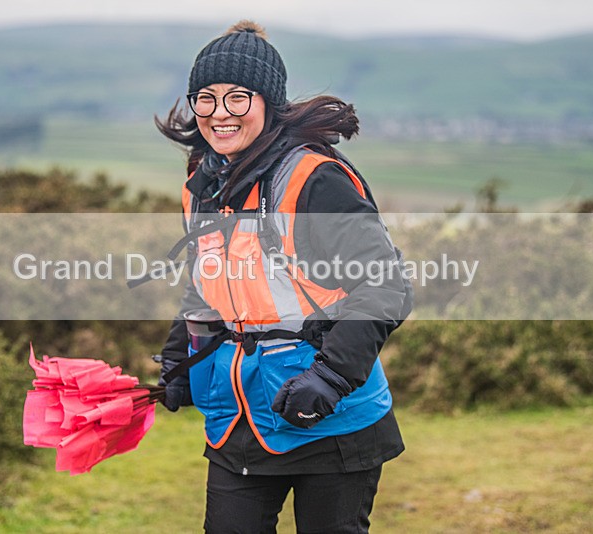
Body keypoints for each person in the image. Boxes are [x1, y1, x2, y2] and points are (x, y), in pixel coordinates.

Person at [154, 20, 412, 534]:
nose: (219, 113)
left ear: (269, 101)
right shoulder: (202, 184)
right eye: (205, 98)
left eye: (237, 98)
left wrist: (331, 377)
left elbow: (386, 286)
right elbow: (207, 285)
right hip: (240, 420)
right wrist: (181, 354)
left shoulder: (313, 179)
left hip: (330, 415)